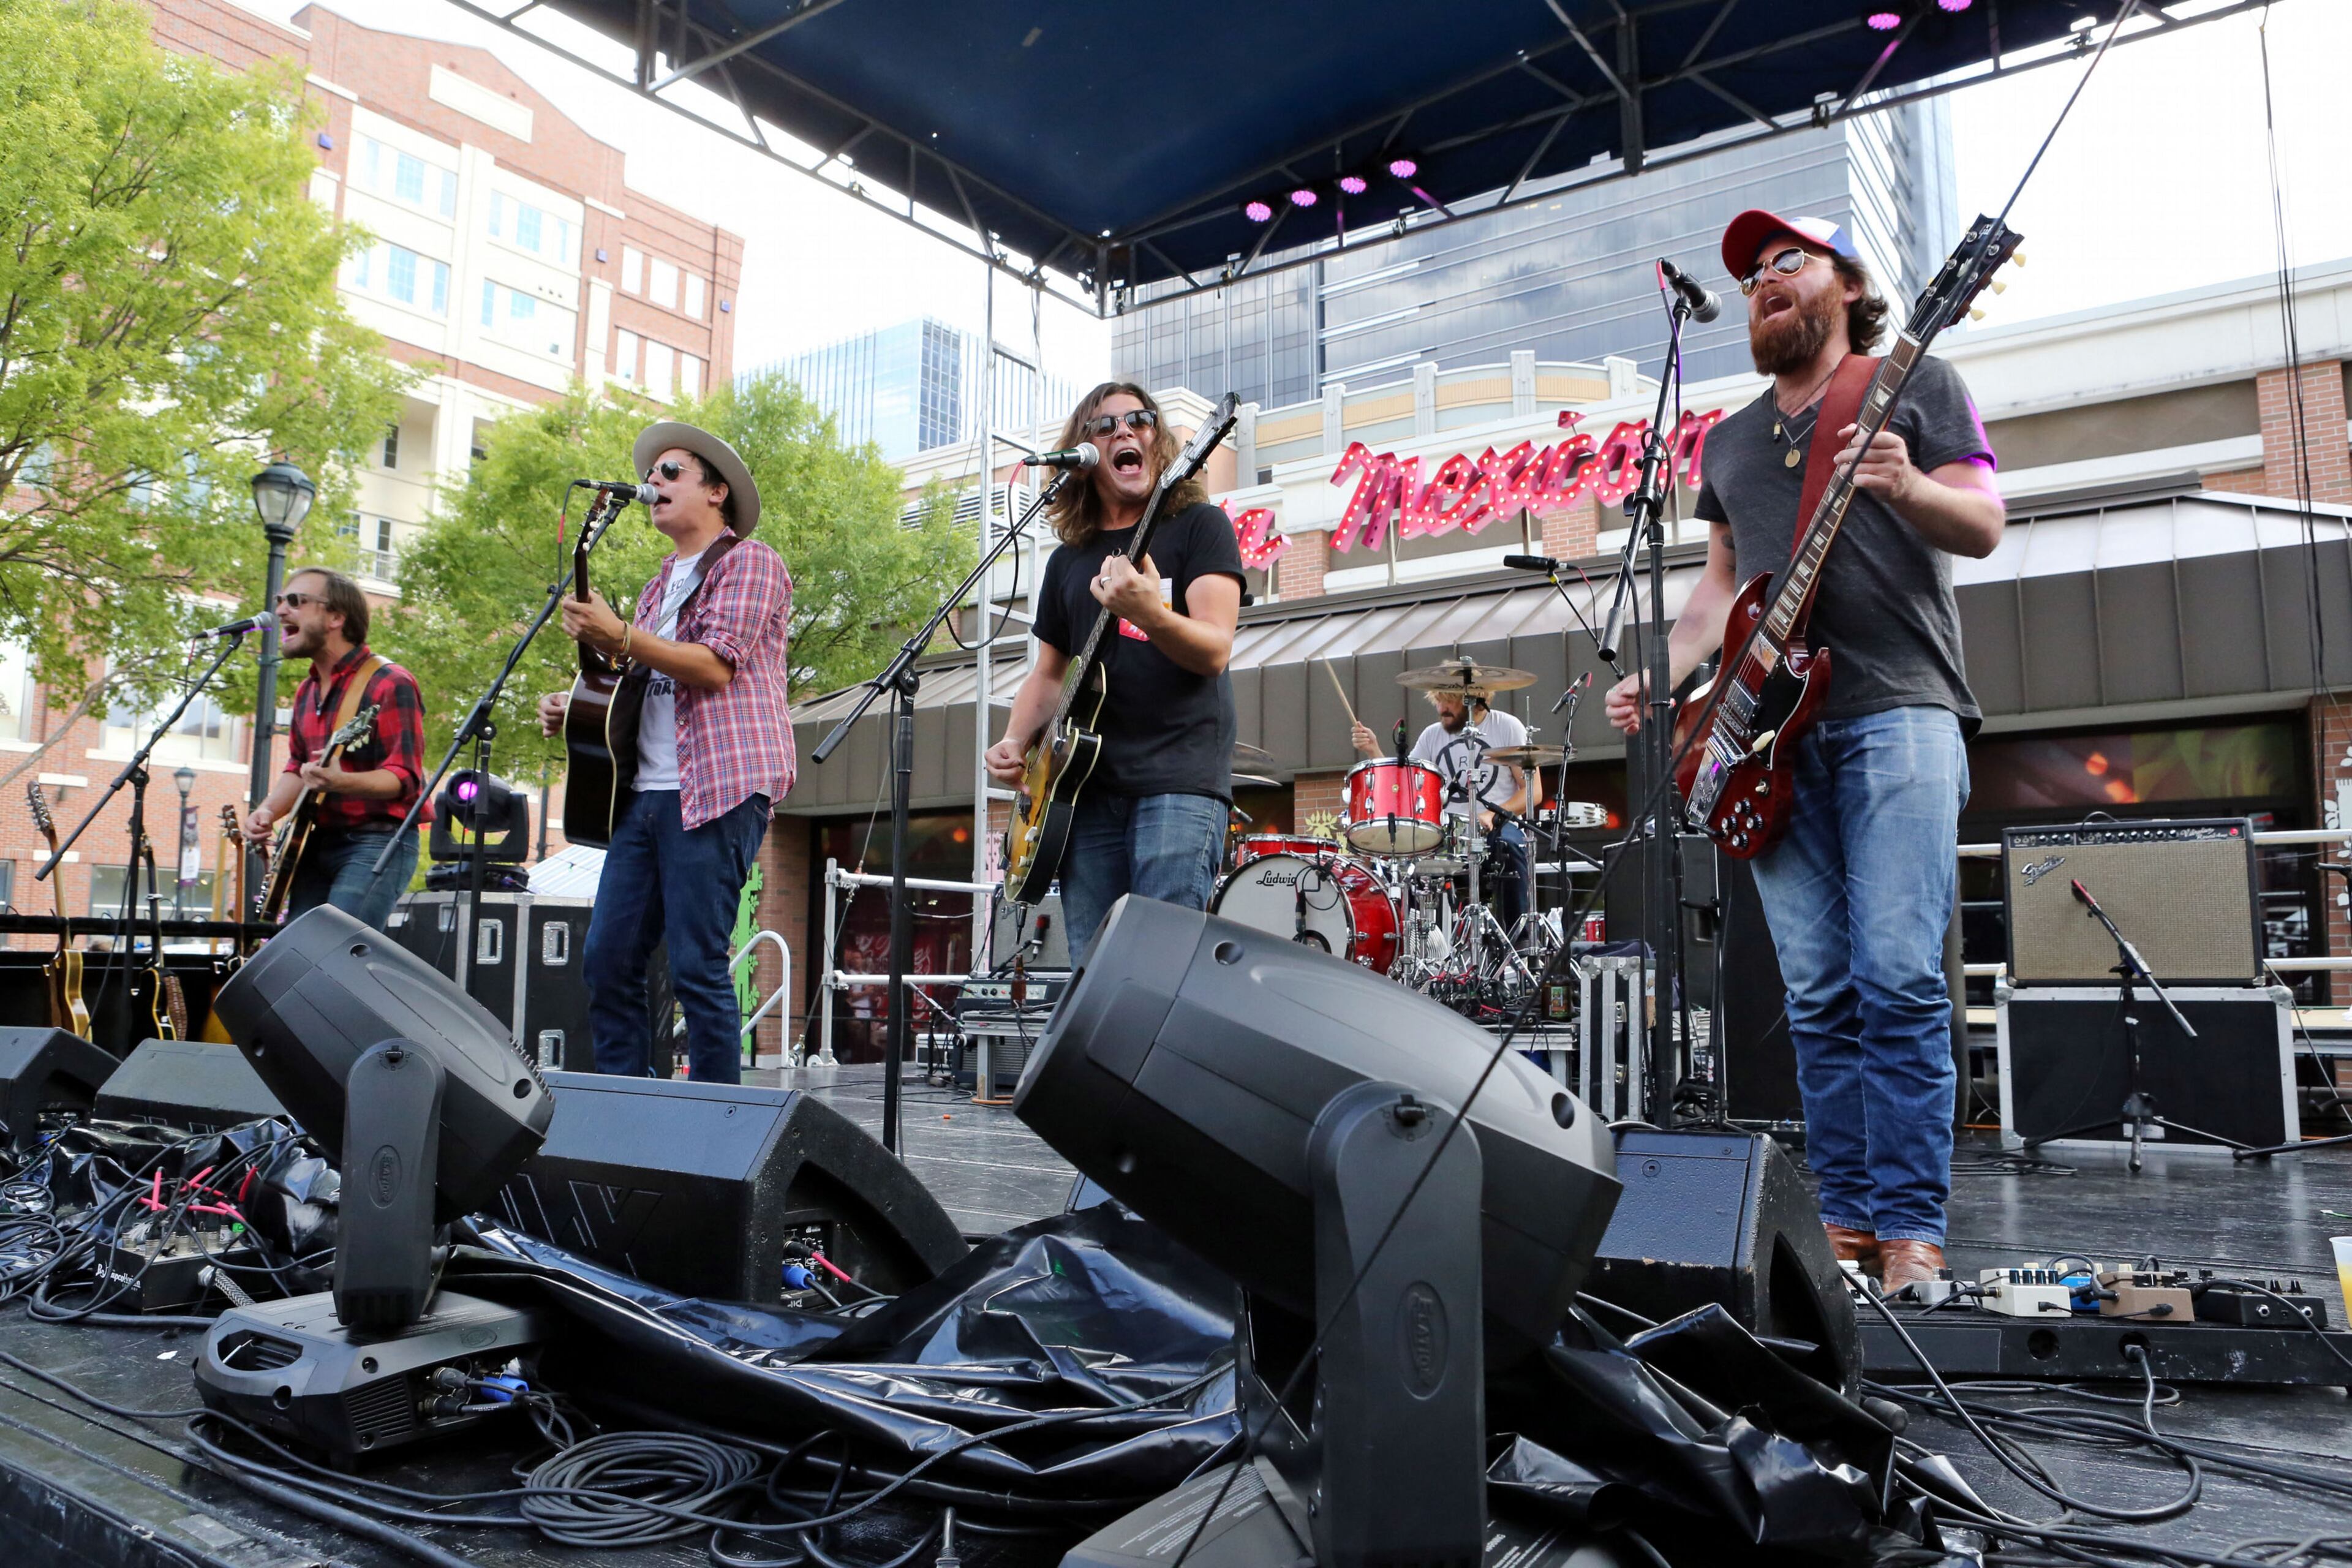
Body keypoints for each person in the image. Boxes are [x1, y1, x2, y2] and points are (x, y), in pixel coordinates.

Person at [1604, 210, 2003, 1294]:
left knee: (1896, 976)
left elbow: (1983, 521)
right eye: (1749, 274)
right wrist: (1672, 672)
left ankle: (1914, 1226)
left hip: (1897, 710)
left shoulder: (1912, 380)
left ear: (1844, 282)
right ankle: (1853, 1223)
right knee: (1821, 991)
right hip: (1767, 744)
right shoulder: (1725, 443)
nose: (1763, 280)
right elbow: (1716, 592)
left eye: (1788, 260)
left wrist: (1907, 486)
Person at [537, 421, 792, 1085]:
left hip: (715, 788)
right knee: (608, 959)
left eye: (670, 472)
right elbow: (642, 678)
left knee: (696, 966)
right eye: (651, 474)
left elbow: (711, 667)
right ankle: (628, 1107)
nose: (653, 482)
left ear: (717, 493)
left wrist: (620, 635)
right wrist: (582, 706)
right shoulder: (658, 586)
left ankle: (714, 1123)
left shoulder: (750, 562)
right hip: (644, 795)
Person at [984, 383, 1245, 960]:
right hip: (1083, 794)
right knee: (1095, 971)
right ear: (1085, 455)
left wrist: (1151, 614)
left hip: (1178, 780)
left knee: (1159, 968)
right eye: (1106, 427)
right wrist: (1015, 740)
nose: (1125, 431)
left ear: (1159, 442)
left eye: (1139, 420)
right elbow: (1050, 675)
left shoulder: (1200, 527)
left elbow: (1214, 649)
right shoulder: (1067, 563)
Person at [243, 567, 431, 930]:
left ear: (336, 617)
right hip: (314, 843)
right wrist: (267, 811)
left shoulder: (390, 682)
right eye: (280, 601)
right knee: (295, 954)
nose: (281, 611)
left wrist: (339, 782)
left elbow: (405, 777)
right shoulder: (305, 691)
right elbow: (299, 767)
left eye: (296, 601)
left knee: (336, 950)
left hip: (376, 841)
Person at [1351, 689, 1531, 925]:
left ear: (1474, 700)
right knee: (1407, 860)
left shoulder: (1506, 726)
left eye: (1450, 701)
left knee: (1509, 846)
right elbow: (1403, 786)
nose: (1441, 708)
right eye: (1439, 701)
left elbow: (1532, 790)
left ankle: (1520, 934)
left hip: (1497, 827)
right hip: (1448, 833)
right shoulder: (1431, 736)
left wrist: (1493, 814)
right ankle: (1419, 942)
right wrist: (1373, 750)